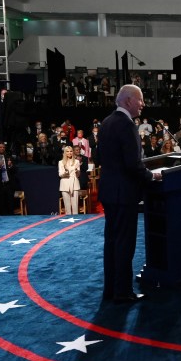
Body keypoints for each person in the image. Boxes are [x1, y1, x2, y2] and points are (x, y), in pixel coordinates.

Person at [98, 84, 163, 304]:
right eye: (141, 100)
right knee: (125, 244)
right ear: (128, 101)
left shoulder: (106, 123)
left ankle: (111, 290)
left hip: (109, 193)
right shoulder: (126, 125)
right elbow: (132, 165)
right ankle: (123, 293)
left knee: (112, 243)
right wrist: (152, 176)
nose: (143, 104)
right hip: (124, 194)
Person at [58, 146, 82, 214]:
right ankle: (69, 222)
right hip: (65, 184)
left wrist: (77, 171)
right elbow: (60, 174)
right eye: (67, 151)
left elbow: (78, 175)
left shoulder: (77, 161)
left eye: (71, 151)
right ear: (65, 153)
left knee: (75, 206)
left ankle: (76, 221)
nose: (69, 153)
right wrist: (65, 173)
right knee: (67, 206)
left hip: (74, 184)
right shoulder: (61, 162)